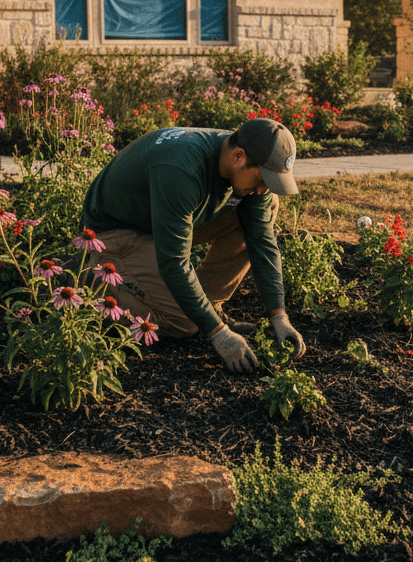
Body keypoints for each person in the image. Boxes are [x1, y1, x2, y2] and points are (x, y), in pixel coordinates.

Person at [78, 117, 306, 373]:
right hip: (116, 233)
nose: (263, 189)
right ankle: (86, 280)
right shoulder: (181, 168)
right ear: (238, 157)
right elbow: (173, 261)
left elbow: (262, 241)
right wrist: (218, 334)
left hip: (162, 223)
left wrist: (279, 315)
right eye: (262, 179)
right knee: (185, 323)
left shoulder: (243, 160)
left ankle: (206, 305)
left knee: (266, 206)